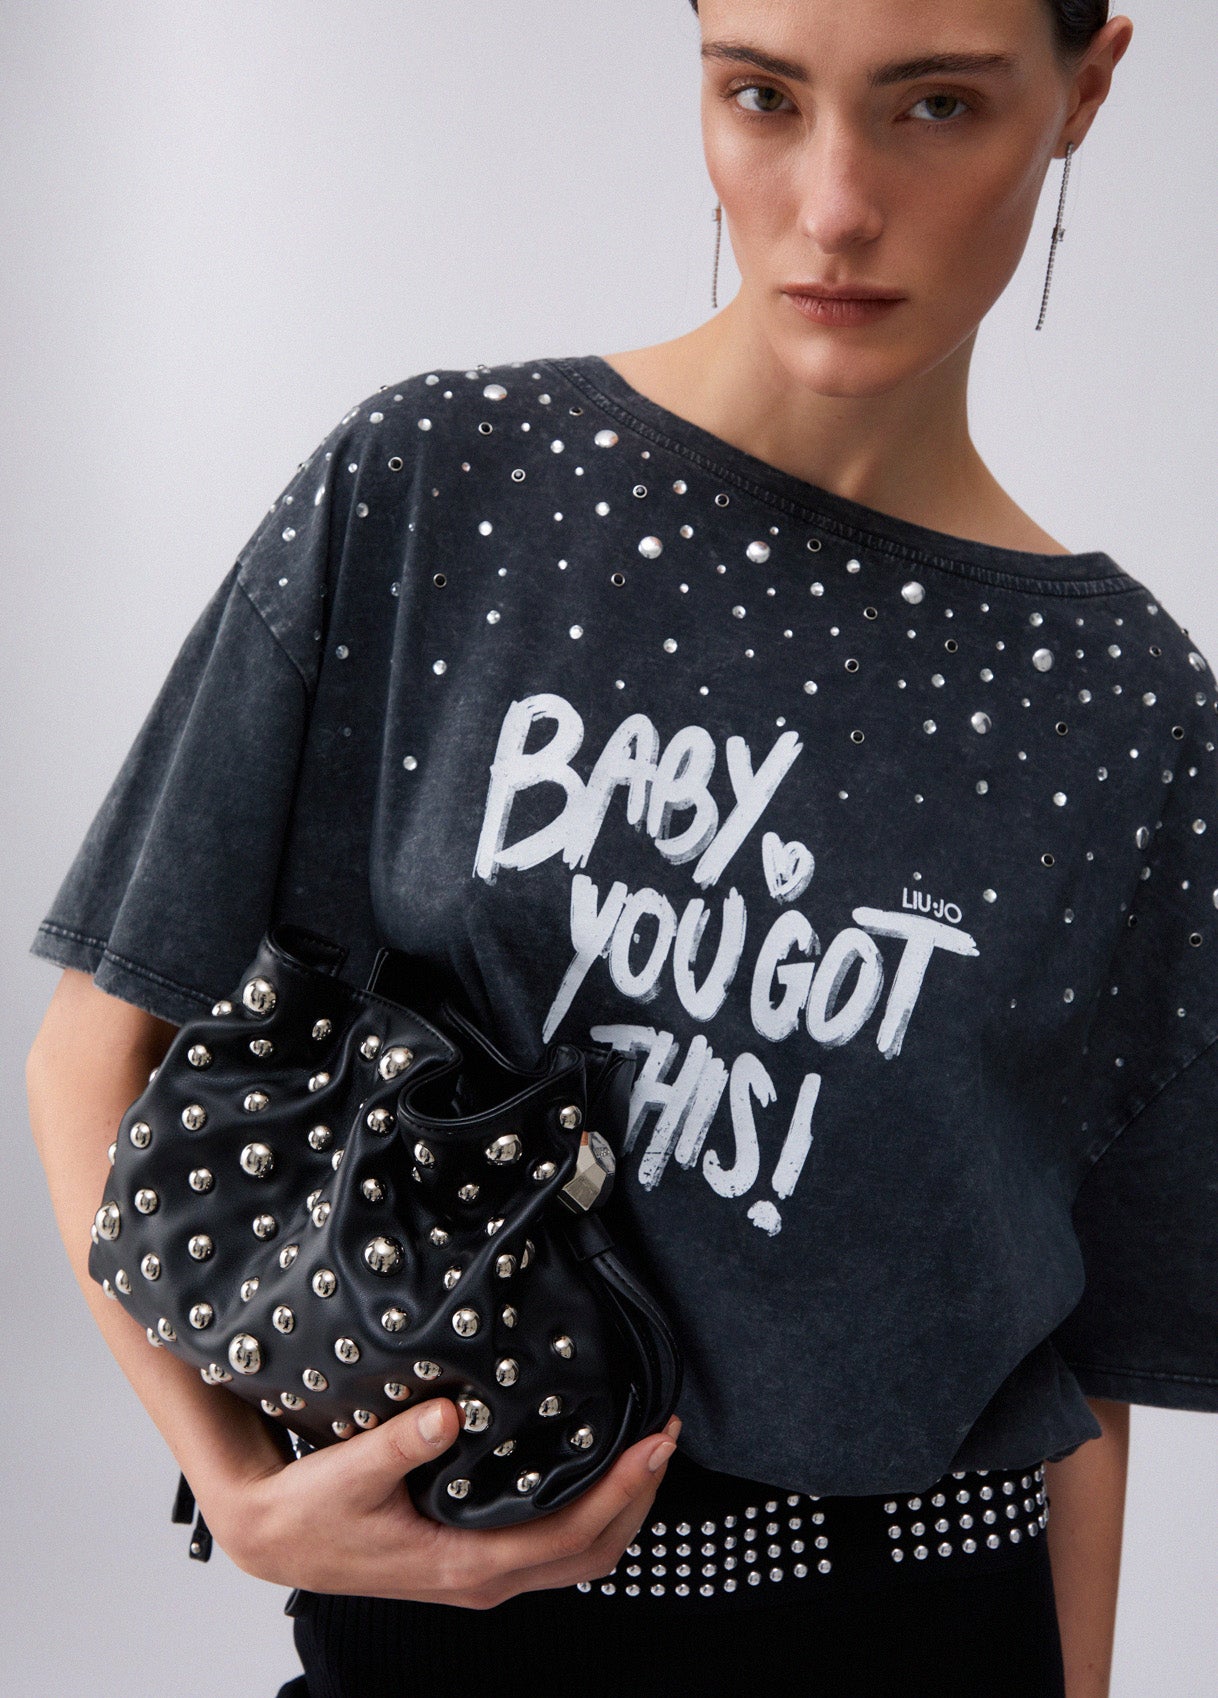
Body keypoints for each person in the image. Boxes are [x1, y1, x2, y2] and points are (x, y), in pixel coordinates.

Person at [33, 1, 1218, 1694]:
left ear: (1082, 88)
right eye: (763, 95)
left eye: (935, 106)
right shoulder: (437, 489)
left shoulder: (1122, 705)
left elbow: (1084, 1346)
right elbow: (101, 1044)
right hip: (441, 1628)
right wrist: (235, 1488)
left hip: (912, 1622)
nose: (832, 205)